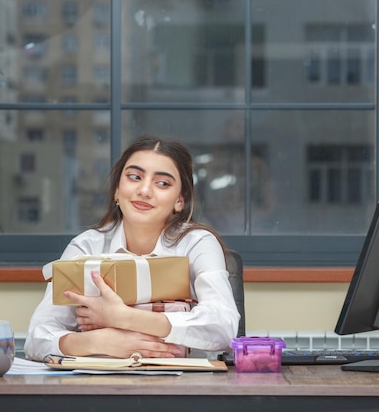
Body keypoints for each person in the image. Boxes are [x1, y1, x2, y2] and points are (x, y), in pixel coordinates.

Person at [24, 135, 240, 362]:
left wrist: (123, 317)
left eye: (163, 183)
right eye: (134, 177)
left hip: (182, 387)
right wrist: (100, 342)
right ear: (117, 190)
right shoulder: (86, 246)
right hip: (99, 387)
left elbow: (223, 328)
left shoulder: (197, 243)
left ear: (180, 201)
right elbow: (36, 338)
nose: (145, 190)